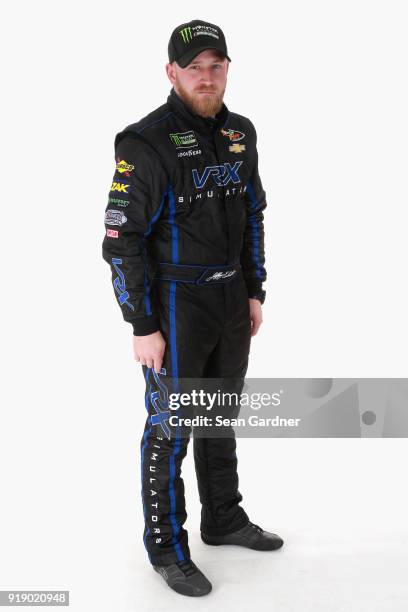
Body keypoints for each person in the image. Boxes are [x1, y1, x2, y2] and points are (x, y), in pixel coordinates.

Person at [102, 18, 284, 597]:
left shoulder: (241, 134)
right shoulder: (145, 142)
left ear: (227, 68)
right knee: (171, 427)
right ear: (172, 73)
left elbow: (253, 213)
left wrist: (254, 289)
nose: (206, 78)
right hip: (176, 304)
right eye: (194, 68)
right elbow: (119, 240)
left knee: (218, 416)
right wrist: (143, 324)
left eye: (216, 66)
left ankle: (223, 518)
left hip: (231, 300)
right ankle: (167, 549)